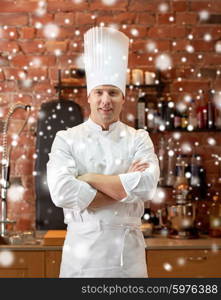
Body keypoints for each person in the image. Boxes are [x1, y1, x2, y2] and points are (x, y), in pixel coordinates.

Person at [47, 26, 160, 278]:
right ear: (89, 97)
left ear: (123, 97)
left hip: (127, 261)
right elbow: (61, 192)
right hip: (81, 261)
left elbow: (146, 187)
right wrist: (123, 187)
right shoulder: (66, 139)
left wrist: (88, 179)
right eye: (99, 92)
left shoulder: (139, 138)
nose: (105, 100)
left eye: (112, 92)